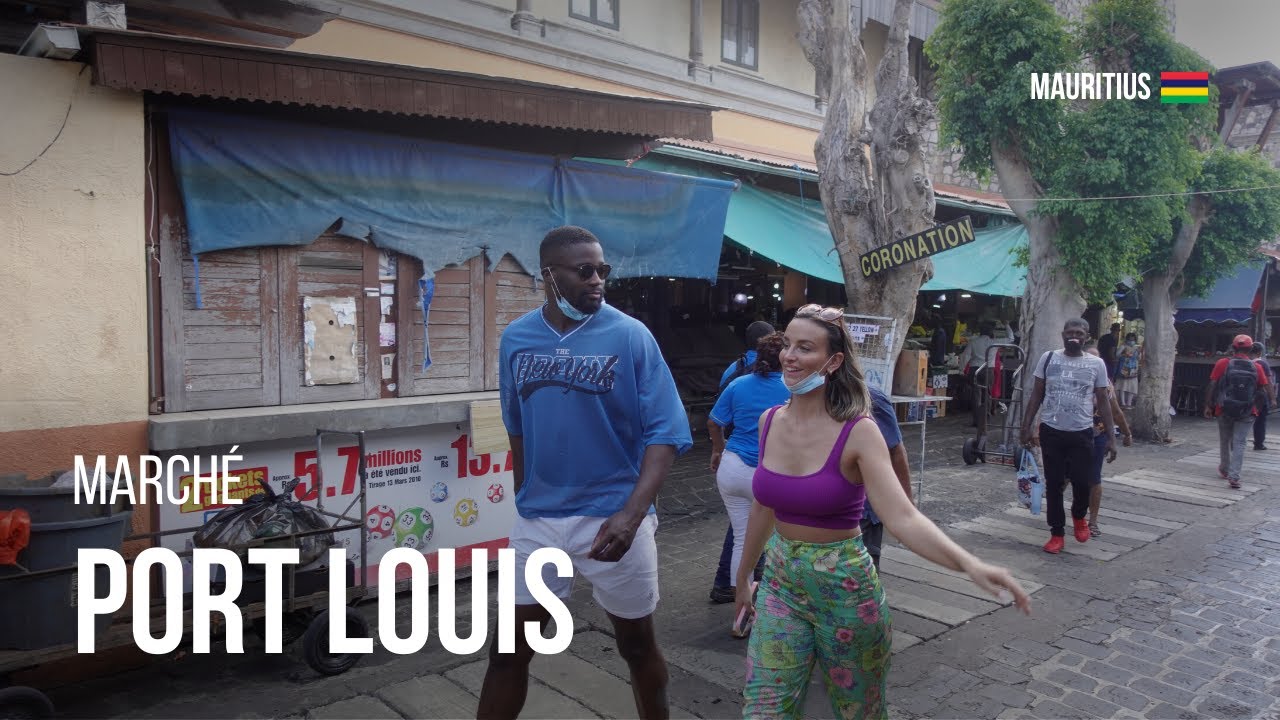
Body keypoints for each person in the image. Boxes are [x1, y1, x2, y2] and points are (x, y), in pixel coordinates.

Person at [735, 303, 1031, 718]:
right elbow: (764, 506)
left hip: (845, 589)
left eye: (805, 348)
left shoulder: (859, 430)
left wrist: (970, 565)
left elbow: (902, 517)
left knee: (860, 711)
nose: (789, 356)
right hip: (781, 583)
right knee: (763, 710)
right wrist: (743, 576)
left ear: (834, 361)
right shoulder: (769, 422)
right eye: (788, 345)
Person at [480, 226, 691, 720]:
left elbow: (666, 432)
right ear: (548, 275)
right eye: (584, 270)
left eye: (603, 270)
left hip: (614, 518)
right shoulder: (518, 338)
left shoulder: (631, 335)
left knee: (637, 647)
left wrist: (632, 515)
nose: (597, 280)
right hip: (540, 523)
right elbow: (516, 424)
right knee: (509, 651)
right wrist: (524, 494)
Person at [707, 332, 790, 629]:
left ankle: (741, 613)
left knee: (744, 539)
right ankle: (778, 607)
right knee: (781, 539)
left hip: (732, 469)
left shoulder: (738, 384)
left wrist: (718, 449)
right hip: (770, 475)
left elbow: (713, 422)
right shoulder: (793, 389)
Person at [1020, 318, 1116, 555]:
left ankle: (1079, 516)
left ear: (1086, 336)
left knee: (1083, 482)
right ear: (1063, 334)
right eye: (1070, 332)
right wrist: (1026, 425)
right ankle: (1057, 533)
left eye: (1079, 333)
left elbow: (1103, 401)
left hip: (1082, 432)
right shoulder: (1048, 358)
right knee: (1053, 484)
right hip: (1052, 431)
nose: (1074, 336)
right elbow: (1036, 395)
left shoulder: (1096, 364)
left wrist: (1112, 437)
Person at [1203, 334, 1270, 490]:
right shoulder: (1257, 367)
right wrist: (1257, 410)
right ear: (1251, 349)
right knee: (1240, 443)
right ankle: (1234, 476)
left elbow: (1212, 385)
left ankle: (1224, 469)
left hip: (1223, 408)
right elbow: (1262, 391)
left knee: (1224, 440)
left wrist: (1208, 406)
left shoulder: (1222, 363)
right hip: (1247, 410)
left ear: (1233, 348)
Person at [1083, 347, 1132, 537]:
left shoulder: (1106, 386)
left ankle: (1092, 521)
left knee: (1094, 478)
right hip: (1074, 435)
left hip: (1097, 436)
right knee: (1067, 476)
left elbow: (1116, 412)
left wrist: (1125, 434)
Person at [1251, 343, 1276, 451]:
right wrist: (1273, 398)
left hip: (1245, 395)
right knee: (1260, 420)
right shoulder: (1262, 364)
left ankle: (1235, 443)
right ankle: (1258, 443)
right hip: (1259, 395)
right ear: (1260, 352)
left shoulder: (1244, 363)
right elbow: (1268, 383)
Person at [1114, 333, 1141, 408]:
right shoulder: (1123, 346)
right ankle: (1123, 403)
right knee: (1122, 386)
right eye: (1130, 340)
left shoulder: (1137, 348)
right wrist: (1125, 354)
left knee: (1132, 386)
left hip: (1133, 370)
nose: (1131, 341)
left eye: (1133, 340)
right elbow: (1117, 355)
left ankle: (1129, 403)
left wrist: (1139, 353)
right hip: (1124, 369)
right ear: (1127, 339)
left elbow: (1139, 358)